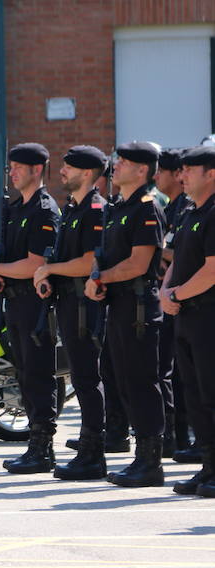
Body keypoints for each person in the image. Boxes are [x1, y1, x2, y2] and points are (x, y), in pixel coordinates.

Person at [84, 141, 166, 487]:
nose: (115, 166)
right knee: (123, 381)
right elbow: (105, 256)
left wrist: (101, 277)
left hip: (136, 307)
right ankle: (140, 459)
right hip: (116, 304)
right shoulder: (118, 207)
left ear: (142, 170)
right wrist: (96, 277)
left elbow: (139, 263)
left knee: (141, 383)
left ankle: (151, 462)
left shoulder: (147, 207)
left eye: (124, 162)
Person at [0, 143, 60, 474]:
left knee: (38, 375)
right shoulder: (17, 208)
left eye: (17, 167)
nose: (11, 172)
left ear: (36, 170)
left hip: (34, 304)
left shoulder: (44, 210)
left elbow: (34, 264)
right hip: (14, 301)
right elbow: (11, 257)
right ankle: (34, 446)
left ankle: (43, 448)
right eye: (10, 167)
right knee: (25, 373)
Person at [33, 145, 108, 479]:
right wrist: (52, 275)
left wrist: (52, 270)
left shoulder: (94, 209)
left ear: (88, 174)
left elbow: (90, 261)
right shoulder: (75, 207)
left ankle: (94, 454)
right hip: (69, 303)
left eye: (69, 167)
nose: (62, 171)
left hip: (84, 307)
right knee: (81, 377)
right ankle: (88, 446)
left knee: (88, 379)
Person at [160, 145, 215, 496]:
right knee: (194, 395)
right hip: (185, 316)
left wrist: (176, 295)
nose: (183, 177)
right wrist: (166, 293)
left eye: (190, 171)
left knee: (211, 394)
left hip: (208, 316)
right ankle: (208, 466)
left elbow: (212, 271)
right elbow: (178, 259)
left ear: (211, 174)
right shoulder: (190, 212)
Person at [154, 149, 193, 456]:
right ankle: (176, 437)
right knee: (172, 371)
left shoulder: (187, 208)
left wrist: (153, 251)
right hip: (168, 297)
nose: (156, 177)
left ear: (176, 175)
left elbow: (181, 255)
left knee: (177, 373)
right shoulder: (172, 207)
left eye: (160, 171)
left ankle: (179, 438)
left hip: (185, 299)